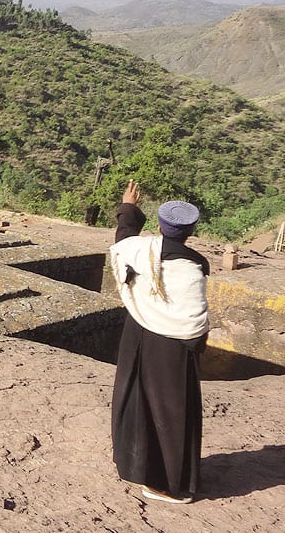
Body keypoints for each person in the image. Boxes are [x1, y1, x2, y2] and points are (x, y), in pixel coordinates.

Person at [109, 179, 209, 504]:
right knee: (172, 411)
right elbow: (194, 318)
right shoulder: (195, 265)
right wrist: (197, 346)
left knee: (137, 399)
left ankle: (143, 471)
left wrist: (129, 207)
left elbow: (123, 237)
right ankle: (168, 484)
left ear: (160, 225)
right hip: (174, 348)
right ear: (190, 231)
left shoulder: (138, 250)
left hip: (138, 333)